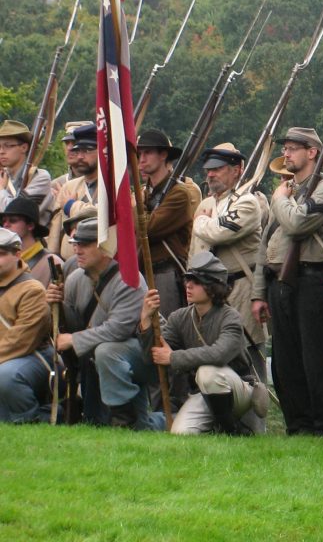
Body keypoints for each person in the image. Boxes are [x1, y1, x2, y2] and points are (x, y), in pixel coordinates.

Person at [250, 126, 323, 437]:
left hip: (312, 280)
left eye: (292, 148)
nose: (286, 154)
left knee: (316, 357)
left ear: (312, 152)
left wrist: (278, 198)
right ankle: (298, 424)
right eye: (286, 148)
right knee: (285, 361)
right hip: (279, 282)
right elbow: (267, 243)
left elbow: (298, 223)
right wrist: (259, 294)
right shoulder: (288, 192)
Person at [139, 252, 267, 435]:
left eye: (196, 281)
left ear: (213, 287)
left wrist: (173, 357)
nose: (188, 285)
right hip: (204, 392)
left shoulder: (230, 317)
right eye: (187, 279)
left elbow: (218, 355)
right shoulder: (179, 318)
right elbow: (155, 356)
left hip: (239, 389)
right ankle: (217, 426)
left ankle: (231, 430)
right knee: (181, 433)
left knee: (208, 372)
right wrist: (145, 321)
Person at [49, 217, 154, 428]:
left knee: (107, 350)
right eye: (76, 244)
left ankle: (121, 421)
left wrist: (75, 340)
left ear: (105, 246)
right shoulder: (75, 278)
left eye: (85, 244)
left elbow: (119, 329)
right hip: (100, 359)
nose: (77, 250)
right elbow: (70, 324)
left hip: (139, 354)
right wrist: (54, 304)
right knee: (142, 427)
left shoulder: (128, 280)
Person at [190, 143, 268, 377]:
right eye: (208, 170)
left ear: (237, 170)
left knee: (248, 358)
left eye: (218, 168)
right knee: (213, 356)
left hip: (240, 288)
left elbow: (217, 232)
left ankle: (255, 410)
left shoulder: (247, 202)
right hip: (210, 291)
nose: (210, 174)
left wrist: (200, 223)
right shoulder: (208, 204)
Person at [139, 129, 202, 319]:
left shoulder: (179, 193)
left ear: (163, 155)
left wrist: (132, 207)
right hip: (144, 271)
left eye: (147, 153)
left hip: (166, 273)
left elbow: (147, 229)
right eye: (140, 154)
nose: (141, 159)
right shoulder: (145, 194)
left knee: (168, 332)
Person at [0, 228, 53, 423]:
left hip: (32, 357)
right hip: (6, 356)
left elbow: (21, 340)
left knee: (5, 375)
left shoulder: (32, 290)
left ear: (18, 255)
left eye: (2, 254)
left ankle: (29, 420)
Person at [48, 124, 98, 259]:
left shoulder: (113, 187)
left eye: (87, 150)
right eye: (78, 150)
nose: (80, 156)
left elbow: (100, 217)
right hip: (68, 263)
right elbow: (55, 231)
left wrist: (71, 205)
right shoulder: (69, 186)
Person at [40, 120, 92, 236]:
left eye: (74, 142)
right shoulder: (55, 184)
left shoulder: (103, 183)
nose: (69, 148)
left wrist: (70, 205)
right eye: (67, 143)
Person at [4, 196, 59, 286]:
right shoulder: (4, 260)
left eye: (13, 220)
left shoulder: (53, 263)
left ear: (30, 225)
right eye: (3, 221)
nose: (6, 225)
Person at [0, 119, 52, 215]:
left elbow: (16, 213)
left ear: (24, 148)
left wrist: (1, 190)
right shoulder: (3, 176)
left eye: (7, 146)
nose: (1, 151)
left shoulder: (39, 177)